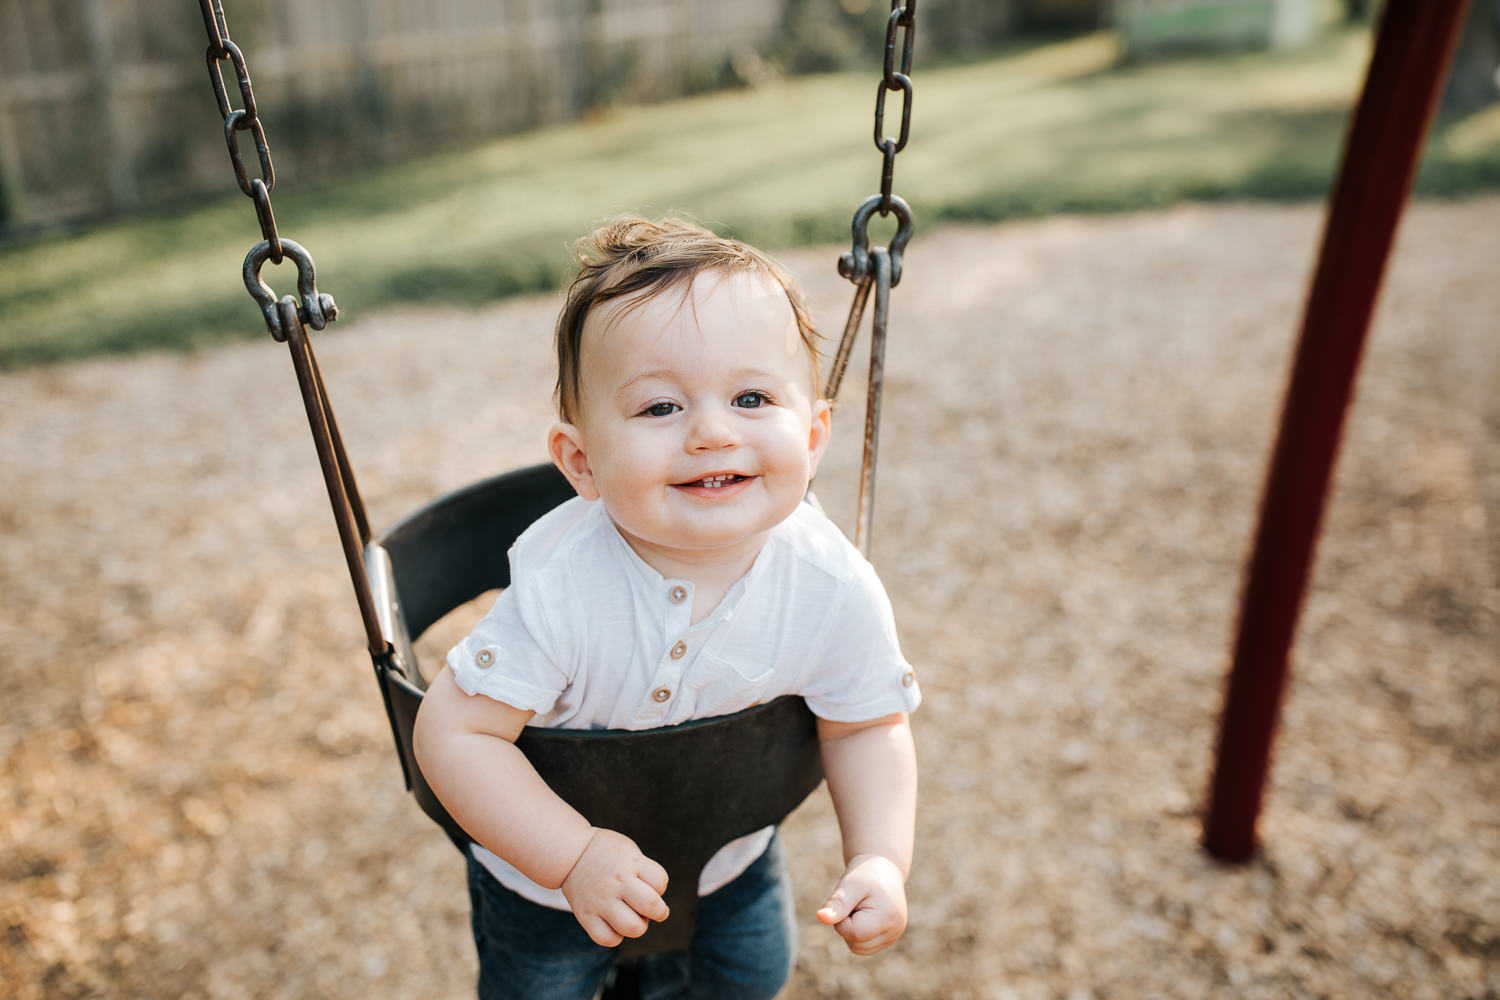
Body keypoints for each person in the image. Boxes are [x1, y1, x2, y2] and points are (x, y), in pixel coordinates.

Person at [413, 216, 920, 1000]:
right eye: (659, 409)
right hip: (543, 886)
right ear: (582, 462)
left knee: (753, 977)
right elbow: (454, 733)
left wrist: (879, 858)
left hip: (730, 857)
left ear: (814, 435)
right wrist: (571, 856)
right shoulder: (563, 588)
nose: (713, 433)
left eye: (752, 397)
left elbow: (869, 724)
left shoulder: (833, 585)